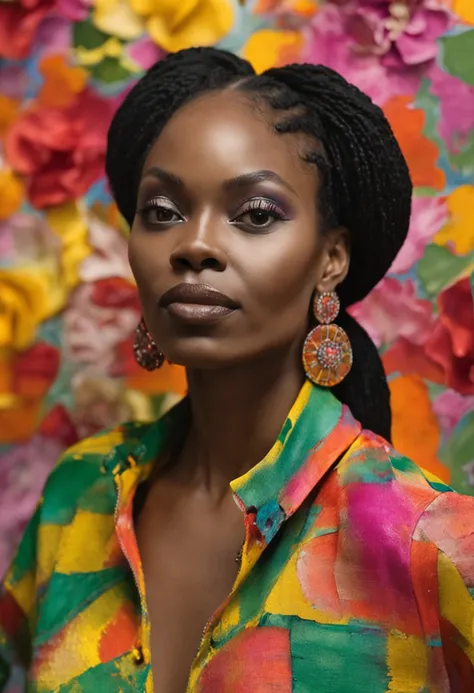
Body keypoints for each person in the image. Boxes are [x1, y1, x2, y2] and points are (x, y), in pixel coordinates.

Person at [1, 47, 473, 693]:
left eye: (255, 215)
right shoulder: (77, 497)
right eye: (162, 211)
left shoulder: (427, 541)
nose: (193, 245)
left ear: (331, 259)